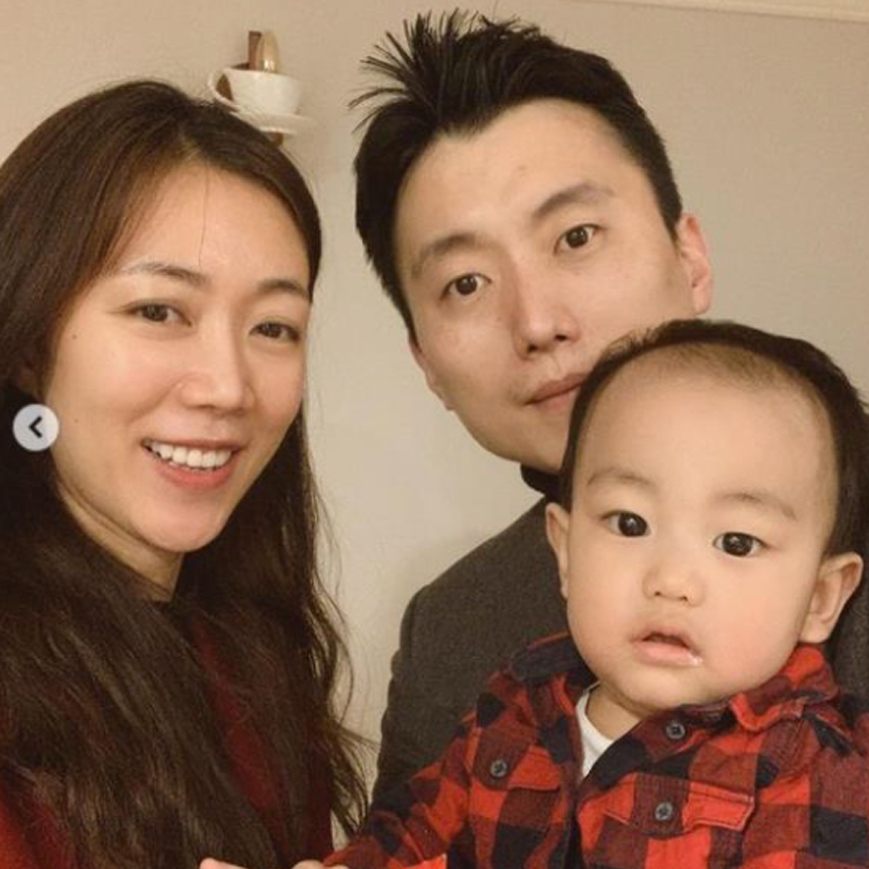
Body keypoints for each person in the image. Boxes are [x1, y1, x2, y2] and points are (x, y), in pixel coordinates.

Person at [351, 10, 869, 800]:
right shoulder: (452, 630)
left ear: (688, 257)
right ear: (425, 362)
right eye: (465, 282)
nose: (537, 322)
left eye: (575, 237)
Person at [284, 318, 869, 869]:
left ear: (820, 598)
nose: (670, 580)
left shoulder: (814, 767)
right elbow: (413, 828)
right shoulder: (519, 702)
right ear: (565, 552)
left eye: (736, 543)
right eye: (630, 524)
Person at [0, 80, 365, 869]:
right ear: (30, 344)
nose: (228, 386)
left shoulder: (250, 645)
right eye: (159, 311)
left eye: (274, 326)